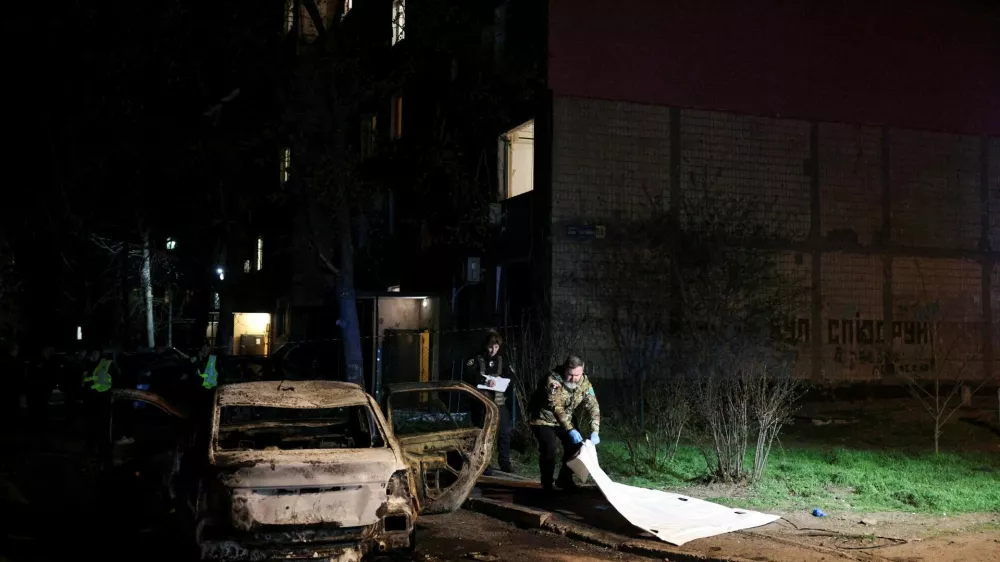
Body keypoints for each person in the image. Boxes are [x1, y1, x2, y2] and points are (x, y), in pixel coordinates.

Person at [527, 355, 601, 491]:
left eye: (577, 375)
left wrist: (595, 431)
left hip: (565, 419)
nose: (573, 379)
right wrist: (570, 429)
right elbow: (556, 407)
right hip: (543, 419)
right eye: (570, 374)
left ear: (582, 370)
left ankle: (565, 479)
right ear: (565, 369)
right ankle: (547, 484)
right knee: (549, 448)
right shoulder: (553, 380)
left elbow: (593, 406)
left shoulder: (584, 383)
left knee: (577, 446)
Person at [464, 330, 515, 474]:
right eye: (490, 347)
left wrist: (502, 381)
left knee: (504, 431)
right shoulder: (477, 358)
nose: (493, 350)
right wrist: (484, 380)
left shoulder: (502, 360)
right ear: (486, 346)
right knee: (484, 434)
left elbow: (511, 377)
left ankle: (504, 462)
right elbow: (469, 375)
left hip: (498, 402)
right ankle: (483, 463)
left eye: (496, 347)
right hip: (481, 404)